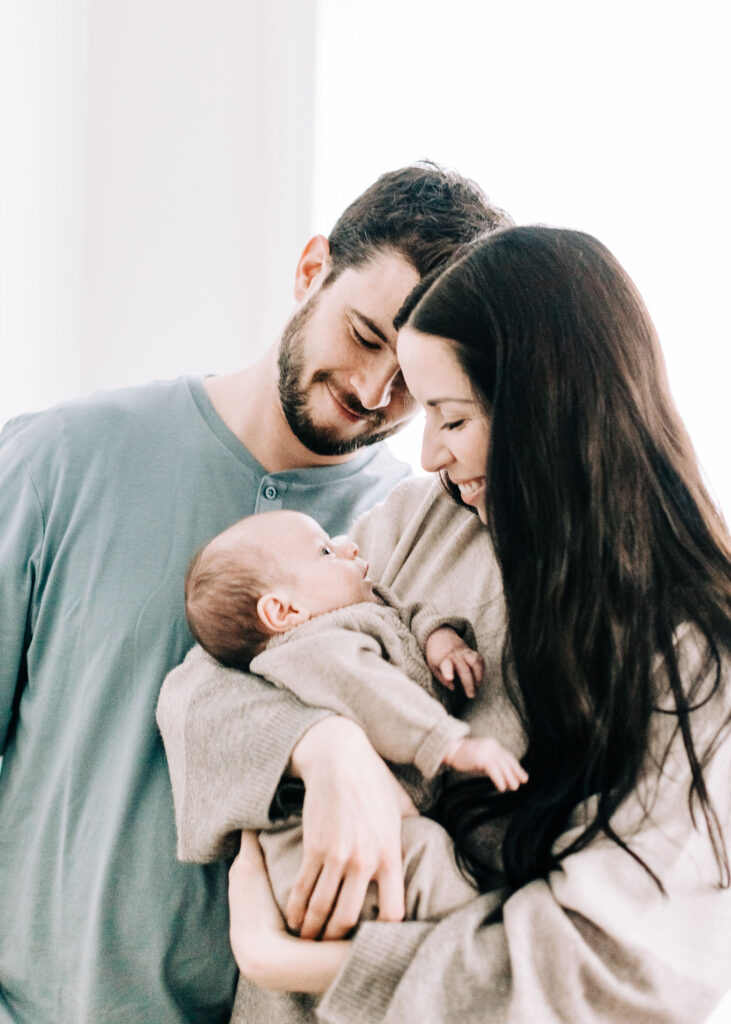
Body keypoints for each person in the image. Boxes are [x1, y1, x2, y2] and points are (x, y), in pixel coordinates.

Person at [0, 163, 511, 1023]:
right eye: (363, 333)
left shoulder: (414, 536)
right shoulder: (58, 461)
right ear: (311, 269)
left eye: (415, 380)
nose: (374, 392)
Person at [214, 226, 731, 1023]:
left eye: (450, 419)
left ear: (545, 416)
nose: (426, 455)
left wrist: (285, 956)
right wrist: (327, 749)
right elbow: (214, 674)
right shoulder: (423, 521)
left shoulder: (690, 662)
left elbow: (599, 976)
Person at [163, 508, 525, 916]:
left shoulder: (360, 610)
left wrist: (441, 640)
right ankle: (481, 941)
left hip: (385, 811)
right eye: (323, 551)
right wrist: (451, 744)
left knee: (426, 856)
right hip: (311, 835)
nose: (347, 545)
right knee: (426, 864)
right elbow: (371, 692)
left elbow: (405, 615)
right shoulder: (314, 647)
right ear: (284, 612)